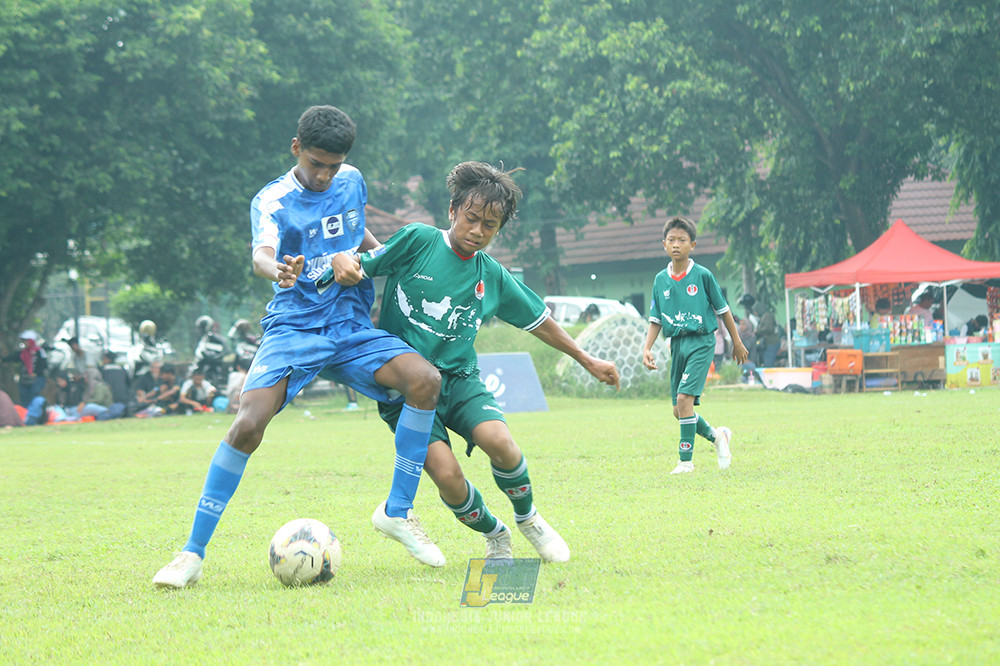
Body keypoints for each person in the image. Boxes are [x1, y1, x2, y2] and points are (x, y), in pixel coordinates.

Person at [153, 105, 442, 590]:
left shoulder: (352, 180)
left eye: (333, 164)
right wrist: (280, 271)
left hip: (349, 324)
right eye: (315, 164)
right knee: (248, 425)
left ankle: (398, 511)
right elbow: (261, 256)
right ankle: (191, 554)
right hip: (295, 328)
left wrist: (376, 257)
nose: (325, 175)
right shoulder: (272, 200)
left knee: (425, 380)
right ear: (296, 149)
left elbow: (357, 233)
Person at [332, 161, 621, 561]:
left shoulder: (493, 275)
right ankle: (496, 534)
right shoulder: (417, 240)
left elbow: (540, 322)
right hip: (407, 388)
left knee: (500, 442)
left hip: (461, 381)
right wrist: (341, 262)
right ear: (452, 211)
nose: (477, 232)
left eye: (489, 225)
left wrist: (586, 359)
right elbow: (362, 265)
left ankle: (529, 519)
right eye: (471, 219)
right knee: (449, 478)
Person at [642, 216, 749, 474]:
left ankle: (685, 462)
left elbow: (723, 310)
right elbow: (656, 319)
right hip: (676, 344)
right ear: (664, 244)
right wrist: (646, 348)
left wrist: (737, 342)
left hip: (702, 342)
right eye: (671, 240)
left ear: (693, 244)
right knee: (679, 411)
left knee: (684, 399)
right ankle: (718, 437)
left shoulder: (703, 275)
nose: (676, 244)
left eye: (682, 240)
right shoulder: (660, 280)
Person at [3, 331, 48, 407]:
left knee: (33, 398)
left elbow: (44, 365)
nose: (24, 342)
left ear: (31, 341)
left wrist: (35, 373)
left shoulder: (39, 351)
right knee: (24, 399)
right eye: (23, 340)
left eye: (26, 340)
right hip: (25, 379)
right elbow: (13, 358)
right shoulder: (23, 353)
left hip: (37, 379)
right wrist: (3, 360)